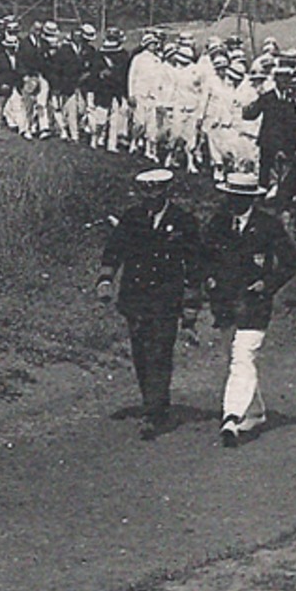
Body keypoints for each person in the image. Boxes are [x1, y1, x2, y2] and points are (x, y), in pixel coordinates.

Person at [96, 168, 202, 440]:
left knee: (159, 352)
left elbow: (195, 262)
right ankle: (153, 403)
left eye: (156, 191)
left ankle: (154, 414)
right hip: (135, 297)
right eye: (146, 191)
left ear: (166, 191)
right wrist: (106, 279)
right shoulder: (132, 218)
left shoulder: (183, 220)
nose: (151, 197)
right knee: (141, 353)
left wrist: (192, 302)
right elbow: (114, 250)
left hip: (167, 298)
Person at [200, 172, 296, 447]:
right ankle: (255, 412)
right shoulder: (218, 223)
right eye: (231, 196)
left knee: (243, 356)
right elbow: (204, 255)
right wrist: (208, 276)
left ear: (251, 199)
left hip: (254, 304)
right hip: (224, 301)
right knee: (233, 357)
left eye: (240, 198)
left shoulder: (268, 225)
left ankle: (231, 417)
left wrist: (267, 283)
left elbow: (293, 262)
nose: (234, 202)